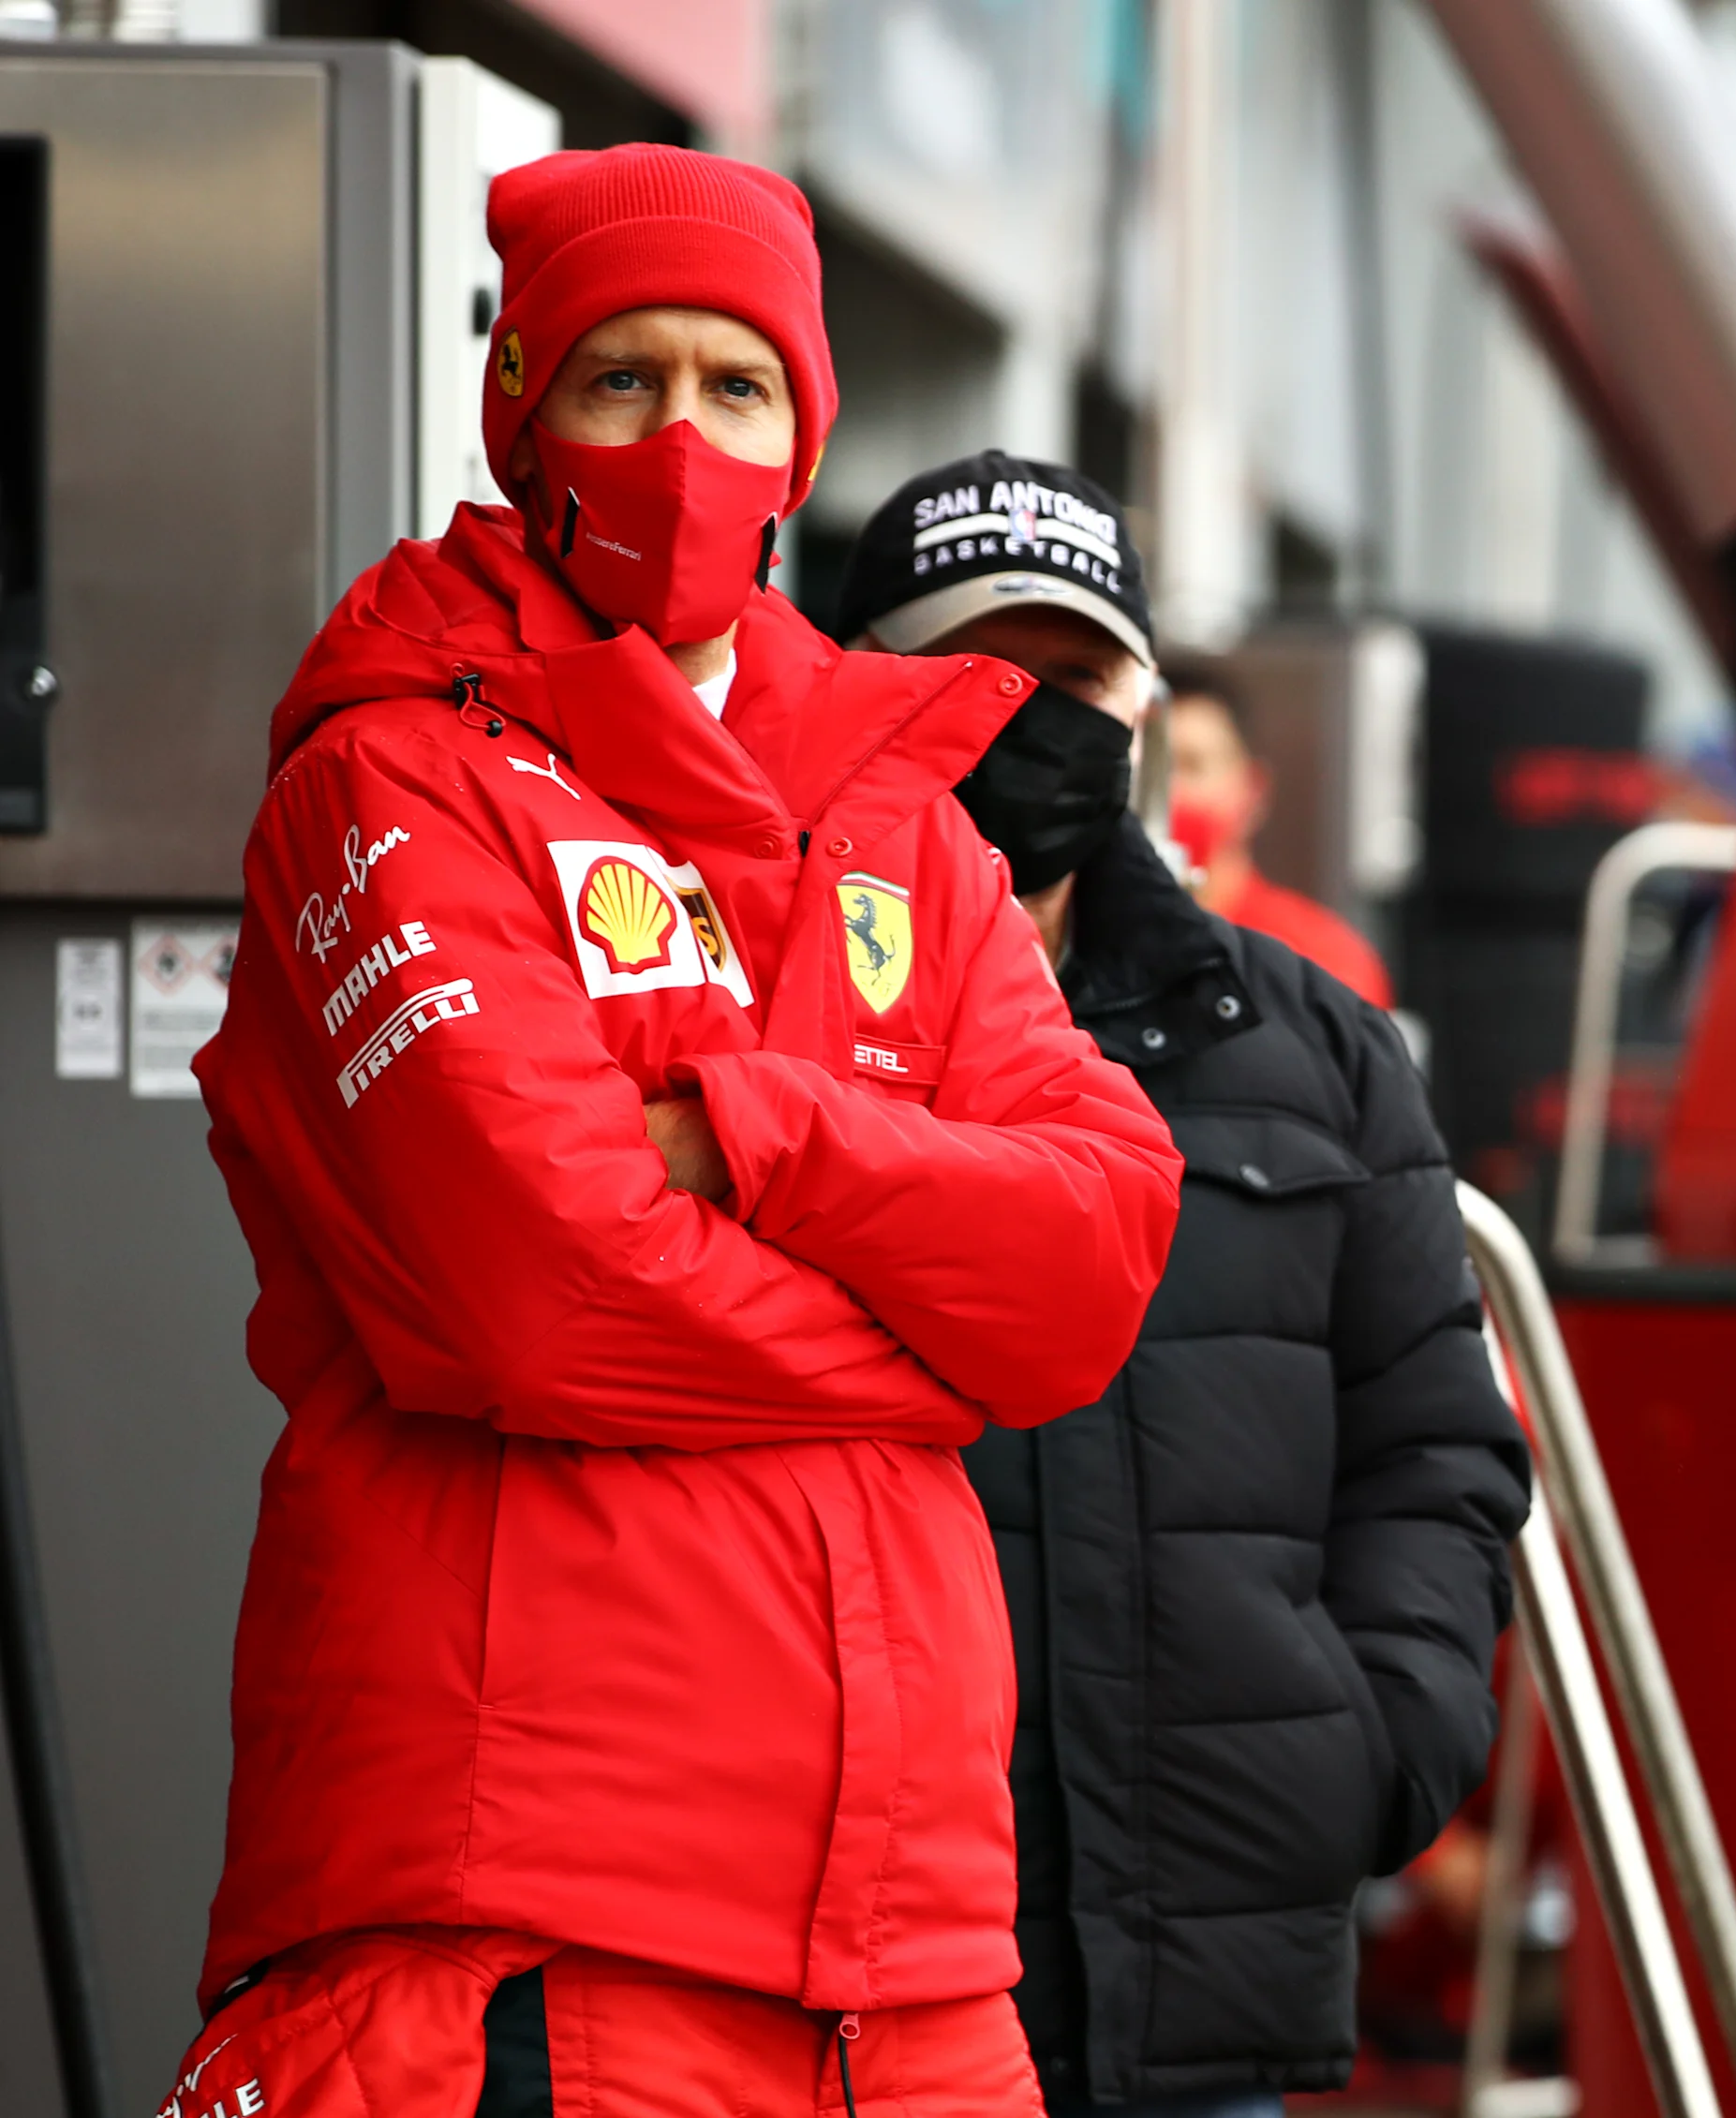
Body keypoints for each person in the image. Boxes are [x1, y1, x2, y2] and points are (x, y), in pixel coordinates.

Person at [162, 150, 1183, 2118]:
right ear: (520, 406)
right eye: (621, 379)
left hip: (915, 1969)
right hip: (527, 1940)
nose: (682, 439)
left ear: (802, 436)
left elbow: (1090, 1265)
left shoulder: (901, 806)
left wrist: (761, 1134)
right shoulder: (391, 776)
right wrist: (921, 1354)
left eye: (736, 386)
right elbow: (547, 1290)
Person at [831, 452, 1531, 2117]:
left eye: (1074, 676)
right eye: (969, 667)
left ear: (1141, 706)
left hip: (1207, 1983)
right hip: (847, 1983)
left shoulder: (1311, 1051)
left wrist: (1370, 1744)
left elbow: (1433, 1444)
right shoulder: (741, 1018)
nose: (1027, 717)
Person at [1158, 655, 1396, 1006]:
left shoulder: (1318, 959)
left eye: (1192, 765)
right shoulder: (1082, 940)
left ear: (1252, 792)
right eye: (1149, 766)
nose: (1167, 789)